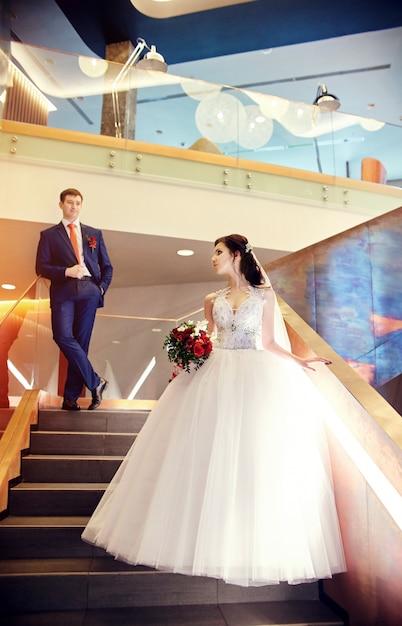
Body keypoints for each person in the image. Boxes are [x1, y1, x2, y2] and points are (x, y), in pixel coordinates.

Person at [82, 234, 346, 586]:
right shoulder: (212, 299)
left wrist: (301, 360)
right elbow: (208, 338)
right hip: (216, 373)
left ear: (236, 255)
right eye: (213, 253)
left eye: (218, 252)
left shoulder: (264, 295)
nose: (213, 258)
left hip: (254, 375)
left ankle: (243, 539)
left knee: (251, 455)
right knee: (203, 452)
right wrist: (187, 358)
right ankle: (196, 532)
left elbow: (268, 343)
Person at [36, 188, 113, 411]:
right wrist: (66, 271)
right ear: (61, 204)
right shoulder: (49, 235)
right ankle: (96, 382)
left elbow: (107, 266)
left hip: (89, 290)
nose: (74, 207)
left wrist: (101, 289)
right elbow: (41, 267)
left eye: (78, 203)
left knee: (81, 344)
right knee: (62, 336)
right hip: (63, 290)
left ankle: (70, 397)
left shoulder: (94, 234)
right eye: (70, 202)